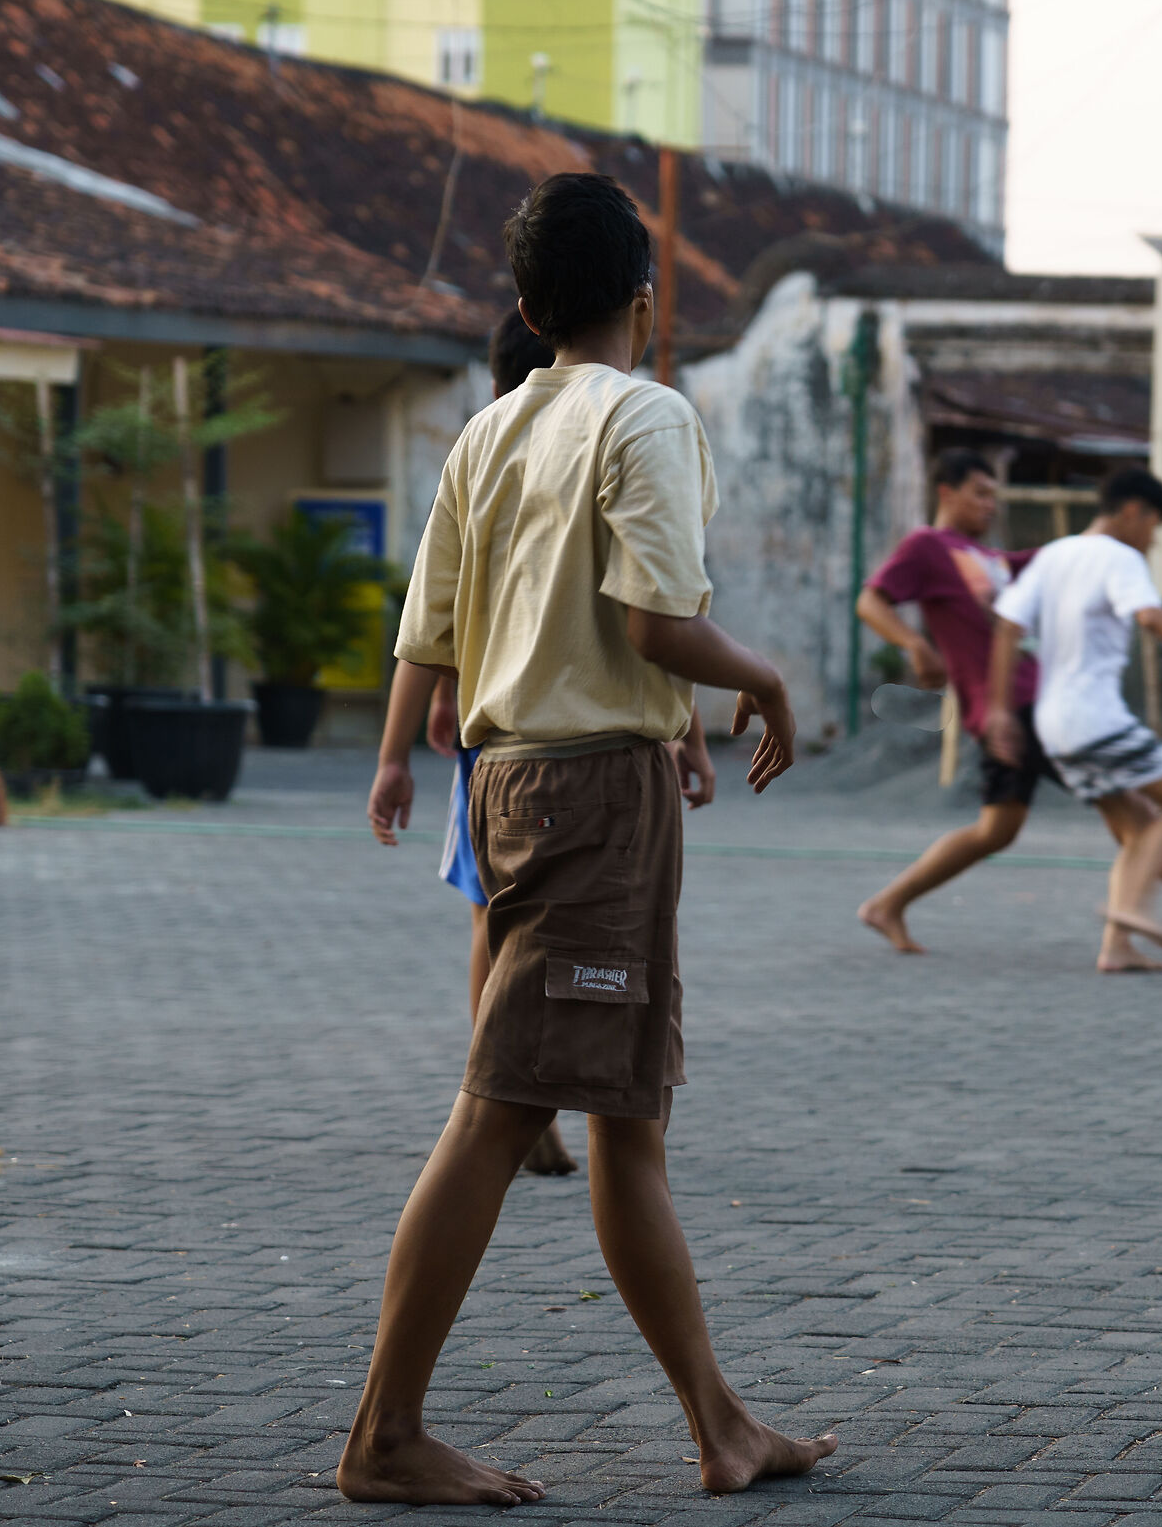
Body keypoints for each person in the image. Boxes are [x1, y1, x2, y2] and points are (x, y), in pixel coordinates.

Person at [339, 172, 834, 1507]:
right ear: (643, 301)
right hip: (588, 798)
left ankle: (720, 1424)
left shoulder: (488, 431)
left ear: (524, 305)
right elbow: (653, 619)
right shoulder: (644, 415)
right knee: (502, 1112)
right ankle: (384, 1434)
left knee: (626, 1120)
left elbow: (429, 631)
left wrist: (395, 755)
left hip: (506, 786)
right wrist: (766, 684)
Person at [370, 310, 600, 1180]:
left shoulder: (477, 453)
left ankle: (504, 1098)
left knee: (490, 917)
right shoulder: (600, 448)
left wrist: (419, 720)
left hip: (491, 738)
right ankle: (534, 1102)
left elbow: (429, 618)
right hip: (584, 740)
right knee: (578, 938)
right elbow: (653, 613)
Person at [853, 450, 1162, 954]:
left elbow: (1075, 554)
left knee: (1001, 830)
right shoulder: (928, 547)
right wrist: (914, 645)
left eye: (995, 495)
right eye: (980, 493)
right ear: (945, 493)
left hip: (1037, 707)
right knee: (1135, 812)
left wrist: (1148, 507)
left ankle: (888, 904)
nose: (991, 505)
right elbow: (871, 600)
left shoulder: (991, 558)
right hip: (1013, 712)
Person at [984, 467, 1162, 972]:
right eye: (1155, 526)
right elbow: (1150, 617)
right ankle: (1134, 906)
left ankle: (1117, 947)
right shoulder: (1120, 557)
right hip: (1095, 717)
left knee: (1140, 831)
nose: (1153, 540)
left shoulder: (1055, 555)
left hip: (1053, 726)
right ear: (1132, 512)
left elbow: (1007, 626)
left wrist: (998, 709)